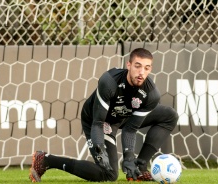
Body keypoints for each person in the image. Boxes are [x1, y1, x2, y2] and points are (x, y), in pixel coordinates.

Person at [29, 48, 178, 182]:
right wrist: (99, 147)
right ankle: (46, 161)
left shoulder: (151, 94)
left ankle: (139, 167)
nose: (141, 73)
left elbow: (131, 129)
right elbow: (97, 123)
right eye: (137, 66)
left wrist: (129, 158)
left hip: (125, 116)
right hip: (100, 120)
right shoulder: (110, 82)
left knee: (169, 116)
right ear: (128, 65)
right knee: (109, 174)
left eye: (146, 68)